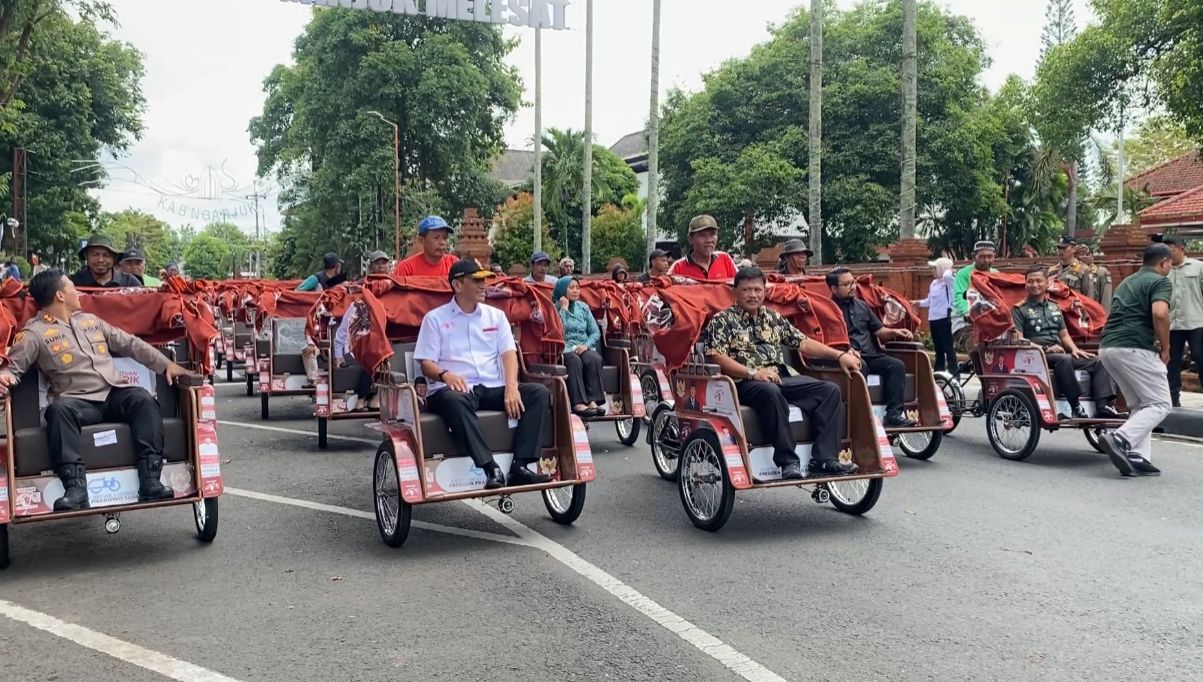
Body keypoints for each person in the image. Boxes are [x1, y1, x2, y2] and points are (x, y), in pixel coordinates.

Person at [0, 270, 190, 510]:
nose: (77, 291)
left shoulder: (90, 321)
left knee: (143, 399)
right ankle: (75, 489)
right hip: (77, 402)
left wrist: (167, 365)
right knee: (58, 411)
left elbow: (130, 344)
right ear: (60, 295)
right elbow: (13, 368)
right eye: (71, 287)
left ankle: (151, 481)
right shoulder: (33, 333)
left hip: (113, 393)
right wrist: (5, 377)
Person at [704, 267, 861, 479]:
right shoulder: (722, 320)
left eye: (757, 290)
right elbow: (717, 357)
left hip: (781, 376)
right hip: (744, 381)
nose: (753, 295)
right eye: (746, 290)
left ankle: (824, 459)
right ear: (735, 292)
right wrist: (753, 372)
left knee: (830, 391)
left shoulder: (773, 317)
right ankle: (788, 462)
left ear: (765, 292)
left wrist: (839, 356)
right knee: (770, 391)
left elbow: (803, 343)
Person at [414, 258, 553, 489]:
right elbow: (426, 363)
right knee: (452, 399)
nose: (483, 285)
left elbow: (509, 354)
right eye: (476, 281)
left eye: (484, 280)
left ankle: (520, 465)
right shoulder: (435, 319)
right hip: (453, 389)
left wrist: (511, 386)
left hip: (491, 386)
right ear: (457, 285)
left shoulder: (495, 316)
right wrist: (445, 375)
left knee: (538, 393)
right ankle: (490, 467)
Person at [1097, 243, 1174, 477]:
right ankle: (1120, 438)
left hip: (1108, 347)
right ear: (1164, 262)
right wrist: (1166, 348)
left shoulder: (1128, 282)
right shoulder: (1160, 281)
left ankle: (1137, 456)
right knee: (1161, 404)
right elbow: (1160, 313)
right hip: (1134, 347)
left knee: (1142, 404)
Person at [1011, 266, 1120, 420]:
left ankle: (1103, 406)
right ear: (1025, 284)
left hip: (1059, 352)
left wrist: (1075, 349)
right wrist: (1045, 349)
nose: (1034, 285)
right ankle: (1075, 406)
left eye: (1038, 281)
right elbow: (1019, 339)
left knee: (1100, 361)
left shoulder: (1054, 307)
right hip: (1036, 355)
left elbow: (1064, 335)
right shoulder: (1019, 309)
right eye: (1030, 281)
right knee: (1064, 359)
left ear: (1047, 283)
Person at [828, 267, 917, 427]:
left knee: (896, 366)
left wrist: (896, 331)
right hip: (846, 356)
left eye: (853, 282)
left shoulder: (862, 305)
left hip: (869, 353)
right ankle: (863, 417)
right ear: (834, 288)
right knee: (861, 366)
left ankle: (894, 415)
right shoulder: (828, 309)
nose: (853, 286)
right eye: (847, 284)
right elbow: (826, 339)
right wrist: (844, 351)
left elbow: (879, 331)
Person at [332, 251, 393, 411]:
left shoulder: (393, 296)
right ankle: (361, 397)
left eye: (384, 262)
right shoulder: (358, 304)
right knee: (373, 357)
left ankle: (374, 397)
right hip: (357, 351)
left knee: (381, 356)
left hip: (381, 348)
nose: (381, 266)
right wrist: (338, 356)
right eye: (378, 263)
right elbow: (341, 333)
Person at [554, 276, 606, 418]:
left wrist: (586, 345)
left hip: (583, 345)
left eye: (577, 287)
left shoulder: (584, 308)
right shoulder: (554, 308)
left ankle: (593, 400)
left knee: (594, 358)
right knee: (574, 360)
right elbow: (557, 332)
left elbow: (595, 332)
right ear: (562, 289)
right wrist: (563, 309)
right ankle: (578, 403)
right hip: (564, 347)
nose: (575, 291)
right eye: (571, 287)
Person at [1163, 235, 1203, 408]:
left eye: (1172, 248)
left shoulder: (1198, 267)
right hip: (1172, 324)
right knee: (1172, 363)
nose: (1169, 252)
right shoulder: (1164, 270)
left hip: (1196, 322)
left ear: (1181, 249)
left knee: (1200, 358)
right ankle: (1173, 400)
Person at [913, 257, 957, 377]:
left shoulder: (949, 282)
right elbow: (929, 301)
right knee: (939, 350)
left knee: (948, 348)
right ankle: (939, 374)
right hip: (933, 319)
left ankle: (954, 375)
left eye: (935, 268)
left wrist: (948, 269)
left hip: (944, 319)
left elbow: (947, 276)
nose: (932, 270)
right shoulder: (934, 283)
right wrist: (918, 303)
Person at [669, 215, 738, 281]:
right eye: (702, 235)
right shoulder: (678, 267)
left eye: (712, 234)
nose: (709, 240)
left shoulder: (725, 259)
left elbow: (741, 286)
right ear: (690, 239)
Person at [393, 215, 458, 278]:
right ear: (421, 241)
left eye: (445, 238)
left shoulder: (454, 264)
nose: (442, 243)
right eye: (436, 237)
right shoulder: (406, 269)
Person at [71, 234, 142, 288]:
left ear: (115, 258)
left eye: (106, 255)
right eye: (95, 254)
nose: (100, 260)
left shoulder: (129, 283)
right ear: (86, 256)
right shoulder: (72, 283)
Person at [953, 240, 998, 322]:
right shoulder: (963, 274)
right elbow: (959, 296)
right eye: (982, 257)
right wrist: (967, 312)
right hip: (965, 317)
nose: (986, 260)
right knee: (966, 334)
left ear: (994, 256)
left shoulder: (996, 274)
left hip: (990, 315)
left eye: (990, 256)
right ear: (974, 256)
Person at [1078, 245, 1113, 313]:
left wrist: (1104, 316)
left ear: (1092, 256)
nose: (1084, 257)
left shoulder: (1101, 272)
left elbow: (1106, 298)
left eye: (1087, 254)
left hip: (1095, 313)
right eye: (1081, 254)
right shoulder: (1074, 272)